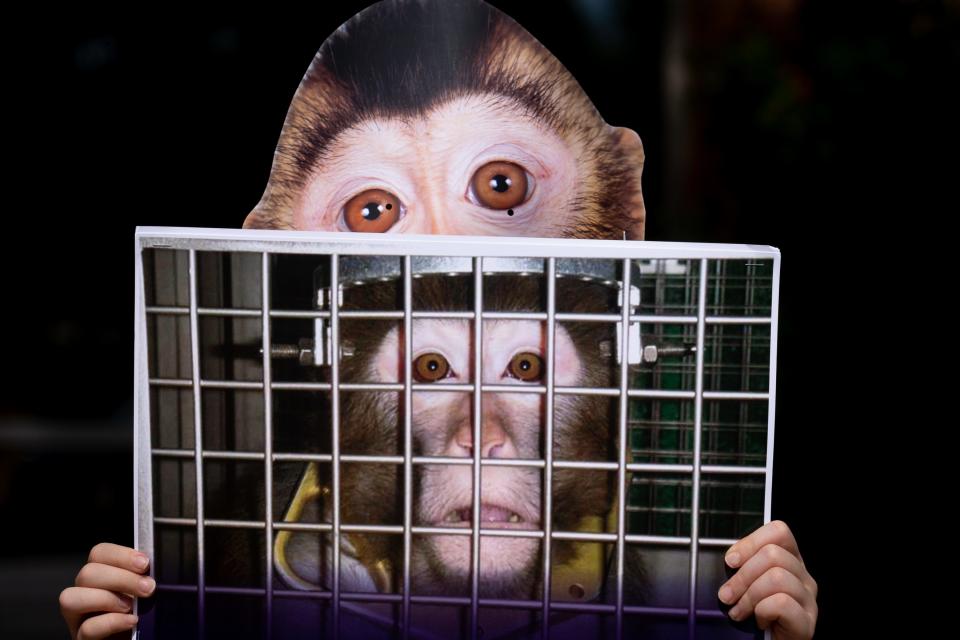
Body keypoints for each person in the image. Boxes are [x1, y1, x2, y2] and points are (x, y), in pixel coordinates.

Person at [60, 1, 817, 638]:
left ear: (622, 211)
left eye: (499, 184)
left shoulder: (690, 560)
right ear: (279, 257)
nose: (441, 252)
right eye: (373, 211)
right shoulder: (240, 560)